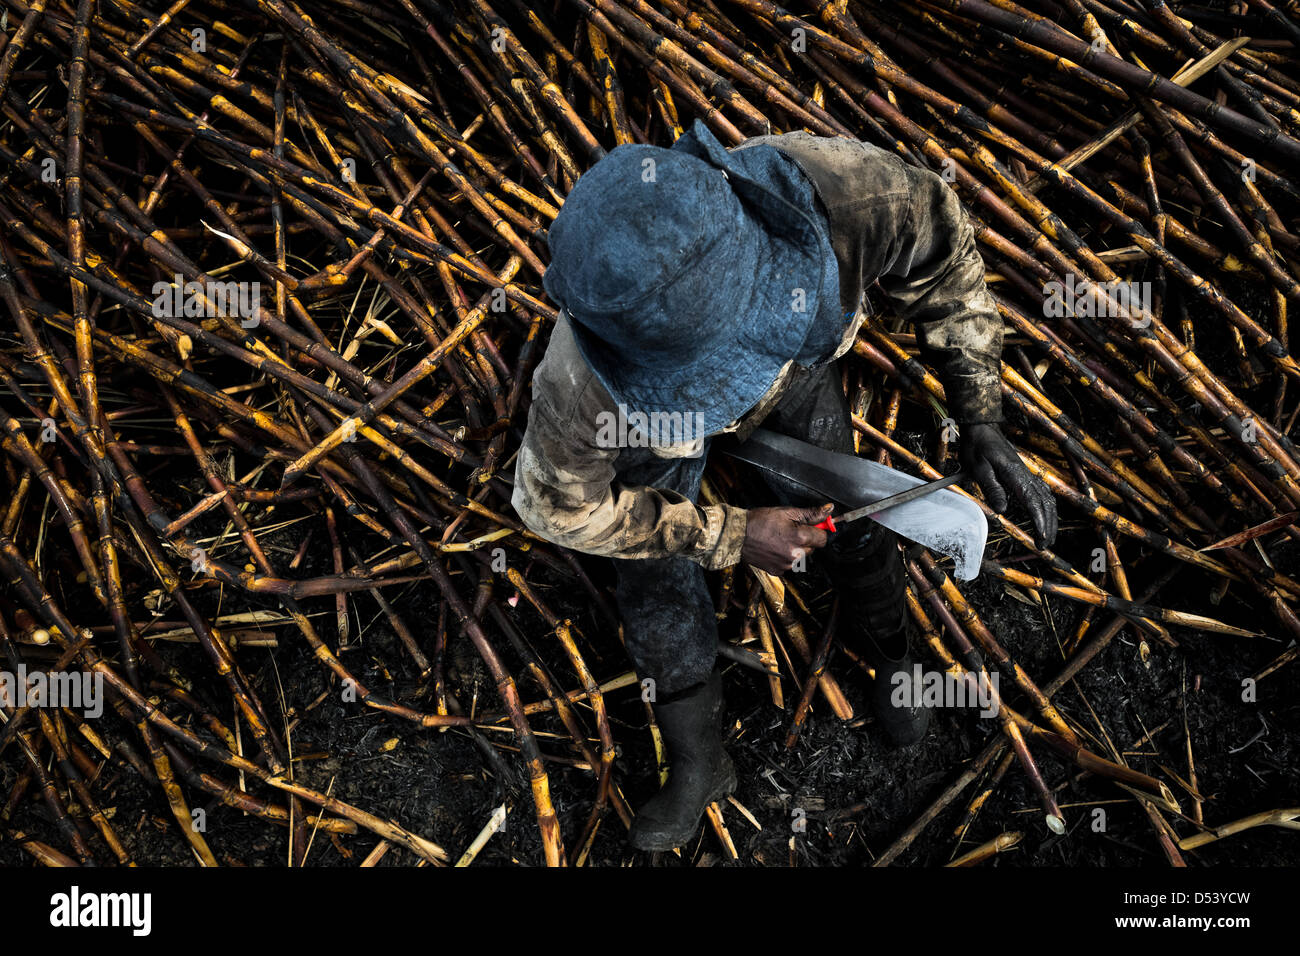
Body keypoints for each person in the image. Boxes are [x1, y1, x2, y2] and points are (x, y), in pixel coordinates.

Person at [511, 120, 1057, 852]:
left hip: (793, 379)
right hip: (651, 426)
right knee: (651, 572)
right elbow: (557, 507)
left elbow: (947, 255)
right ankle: (700, 759)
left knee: (849, 514)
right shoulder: (582, 383)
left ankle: (896, 661)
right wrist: (727, 533)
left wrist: (980, 413)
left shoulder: (846, 199)